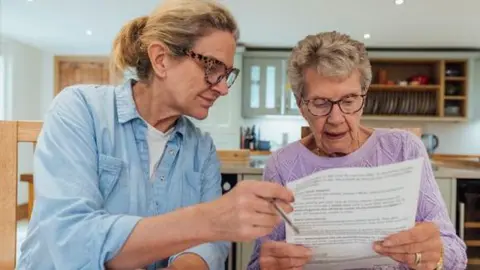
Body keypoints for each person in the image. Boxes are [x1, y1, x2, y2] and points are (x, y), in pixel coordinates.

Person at [17, 0, 295, 269]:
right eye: (212, 68)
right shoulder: (80, 109)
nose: (223, 89)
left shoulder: (201, 148)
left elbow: (211, 247)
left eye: (227, 74)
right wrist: (211, 219)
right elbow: (71, 239)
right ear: (161, 60)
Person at [246, 31, 467, 270]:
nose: (336, 118)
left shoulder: (404, 149)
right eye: (320, 103)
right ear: (301, 106)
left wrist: (437, 255)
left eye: (349, 100)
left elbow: (456, 256)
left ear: (364, 96)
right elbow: (260, 262)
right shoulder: (281, 165)